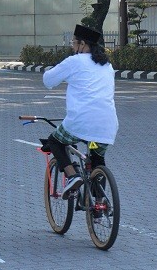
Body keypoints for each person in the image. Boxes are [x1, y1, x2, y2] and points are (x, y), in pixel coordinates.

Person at [42, 24, 118, 197]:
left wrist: (52, 71)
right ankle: (99, 205)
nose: (73, 47)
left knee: (55, 141)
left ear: (82, 44)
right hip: (107, 124)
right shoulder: (107, 65)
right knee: (97, 158)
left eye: (73, 43)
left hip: (80, 122)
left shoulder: (74, 61)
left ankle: (72, 176)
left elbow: (48, 80)